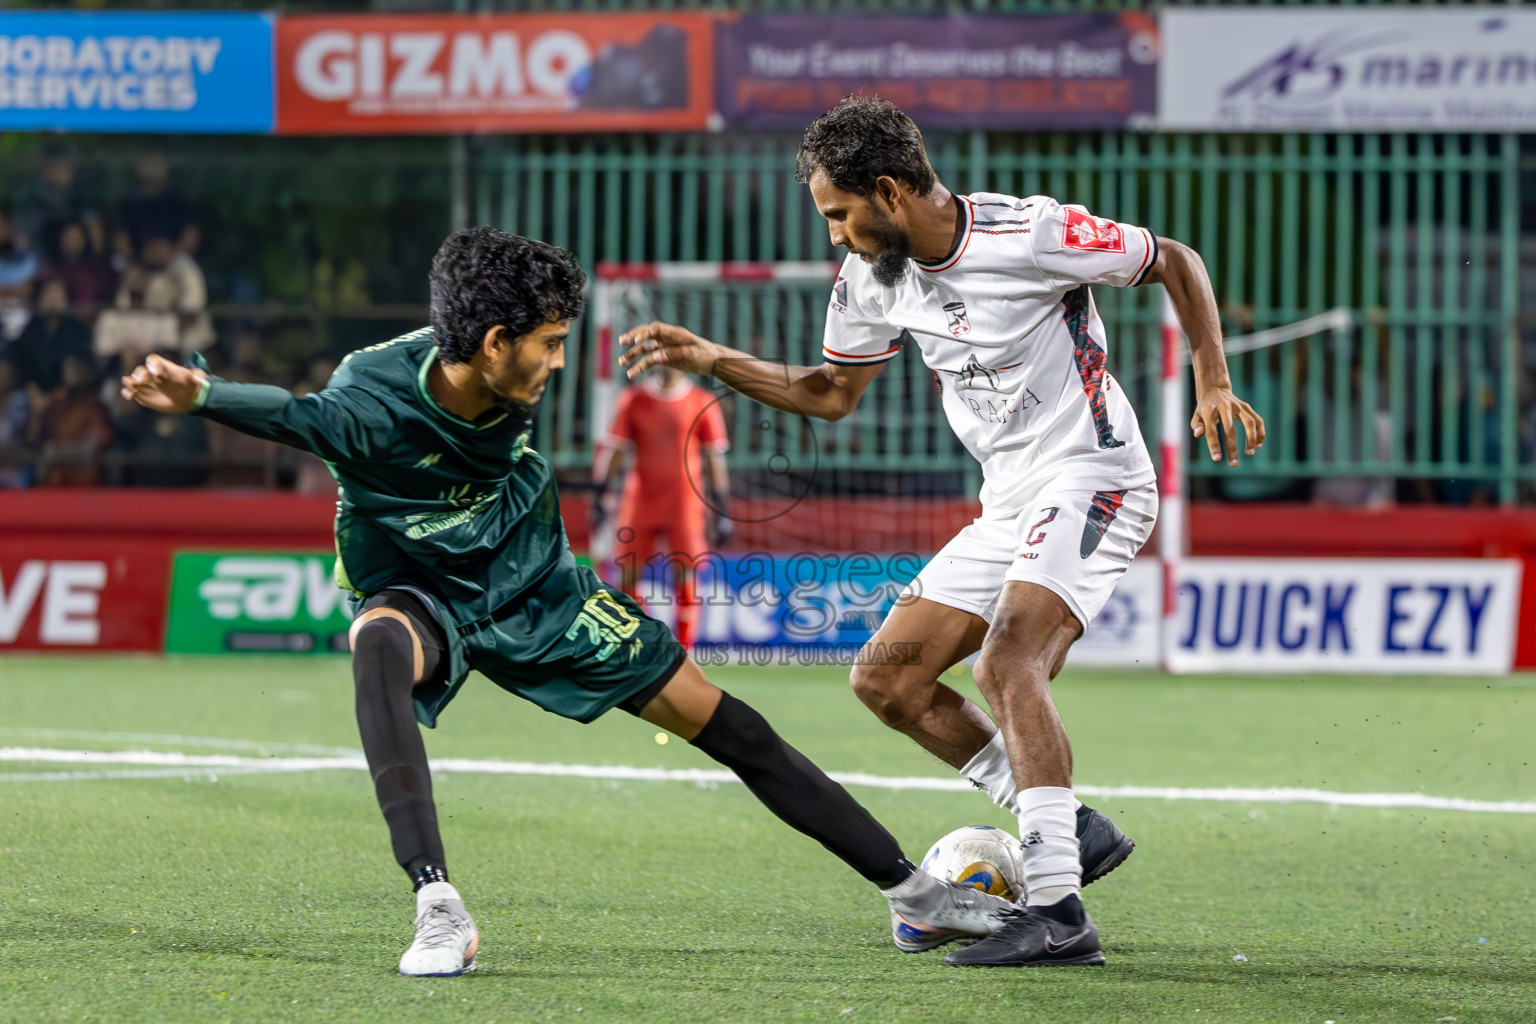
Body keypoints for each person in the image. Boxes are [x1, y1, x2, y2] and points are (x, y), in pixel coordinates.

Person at [119, 227, 1014, 978]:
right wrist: (199, 393)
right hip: (420, 585)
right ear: (497, 340)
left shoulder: (498, 372)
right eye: (548, 342)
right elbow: (298, 417)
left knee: (732, 726)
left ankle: (915, 893)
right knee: (379, 648)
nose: (559, 361)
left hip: (536, 577)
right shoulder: (373, 398)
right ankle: (437, 904)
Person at [620, 97, 1266, 968]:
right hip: (1009, 502)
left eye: (840, 214)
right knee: (888, 680)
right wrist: (715, 361)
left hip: (1095, 477)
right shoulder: (871, 280)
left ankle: (1059, 909)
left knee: (1006, 663)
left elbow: (1174, 260)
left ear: (889, 191)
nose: (837, 236)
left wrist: (1212, 380)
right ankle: (1070, 827)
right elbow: (830, 394)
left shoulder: (1032, 234)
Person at [591, 365, 731, 649]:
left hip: (685, 500)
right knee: (628, 573)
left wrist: (723, 508)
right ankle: (639, 644)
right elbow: (615, 448)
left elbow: (715, 458)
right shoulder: (633, 398)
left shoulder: (701, 401)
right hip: (640, 498)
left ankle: (684, 650)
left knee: (686, 573)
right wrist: (599, 492)